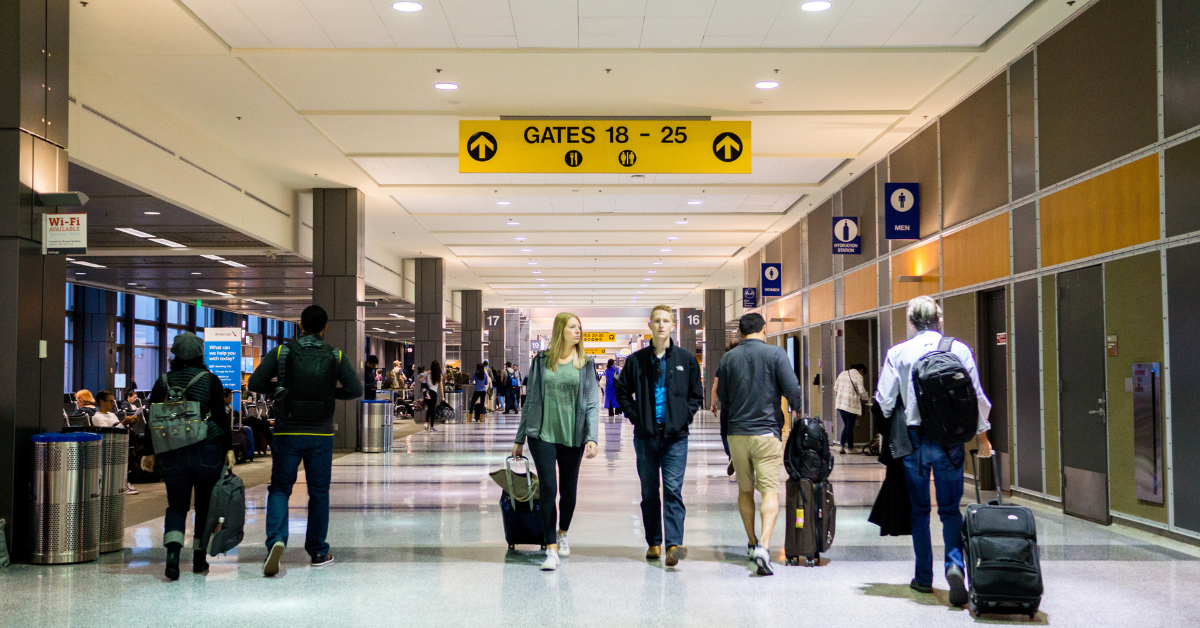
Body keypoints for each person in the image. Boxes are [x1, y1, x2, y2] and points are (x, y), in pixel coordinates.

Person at [875, 295, 993, 606]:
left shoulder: (897, 353)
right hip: (949, 441)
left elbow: (884, 401)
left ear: (911, 323)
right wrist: (982, 438)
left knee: (919, 512)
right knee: (950, 510)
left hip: (913, 440)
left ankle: (923, 578)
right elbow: (976, 397)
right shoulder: (958, 349)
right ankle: (955, 566)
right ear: (939, 321)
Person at [248, 305, 363, 576]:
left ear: (300, 325)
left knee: (280, 488)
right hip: (321, 432)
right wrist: (328, 394)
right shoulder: (335, 355)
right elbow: (355, 389)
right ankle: (318, 551)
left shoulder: (282, 351)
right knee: (319, 492)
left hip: (288, 429)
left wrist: (280, 391)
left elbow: (254, 382)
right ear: (325, 328)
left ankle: (276, 540)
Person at [140, 332, 234, 580]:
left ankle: (172, 555)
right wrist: (230, 448)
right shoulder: (210, 379)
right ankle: (199, 559)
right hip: (208, 448)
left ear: (174, 355)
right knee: (205, 505)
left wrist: (149, 452)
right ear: (201, 355)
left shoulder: (163, 382)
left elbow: (152, 420)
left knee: (177, 505)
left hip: (173, 451)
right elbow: (221, 418)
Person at [616, 306, 703, 567]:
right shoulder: (636, 361)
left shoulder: (686, 359)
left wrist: (683, 418)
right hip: (645, 437)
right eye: (657, 321)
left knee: (673, 490)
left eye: (666, 321)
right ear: (650, 325)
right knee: (649, 492)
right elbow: (621, 392)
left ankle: (673, 544)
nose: (662, 325)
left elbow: (695, 395)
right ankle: (654, 542)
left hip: (676, 438)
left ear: (673, 325)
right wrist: (636, 416)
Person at [512, 312, 599, 571]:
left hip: (573, 435)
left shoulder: (585, 363)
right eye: (572, 326)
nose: (578, 331)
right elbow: (529, 401)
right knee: (549, 488)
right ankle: (550, 548)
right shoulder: (541, 361)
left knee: (568, 491)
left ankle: (562, 532)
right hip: (542, 435)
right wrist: (519, 438)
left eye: (579, 327)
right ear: (560, 329)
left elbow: (592, 403)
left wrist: (592, 436)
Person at [716, 313, 802, 576]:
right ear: (764, 330)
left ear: (741, 333)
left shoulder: (728, 359)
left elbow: (723, 399)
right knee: (769, 492)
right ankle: (765, 546)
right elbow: (793, 390)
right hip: (767, 433)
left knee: (745, 491)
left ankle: (752, 542)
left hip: (738, 435)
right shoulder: (776, 354)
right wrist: (796, 411)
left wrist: (728, 438)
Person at [834, 363, 872, 454]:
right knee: (849, 425)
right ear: (861, 370)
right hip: (851, 404)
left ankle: (842, 446)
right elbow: (861, 391)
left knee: (847, 425)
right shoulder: (858, 376)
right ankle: (850, 448)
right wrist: (867, 398)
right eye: (863, 373)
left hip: (841, 403)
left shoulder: (842, 374)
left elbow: (835, 388)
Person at [417, 360, 443, 432]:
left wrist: (425, 374)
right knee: (432, 409)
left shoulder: (428, 373)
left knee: (428, 408)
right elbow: (441, 386)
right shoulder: (439, 374)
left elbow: (420, 381)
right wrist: (443, 396)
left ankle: (426, 422)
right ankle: (431, 427)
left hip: (427, 393)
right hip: (433, 393)